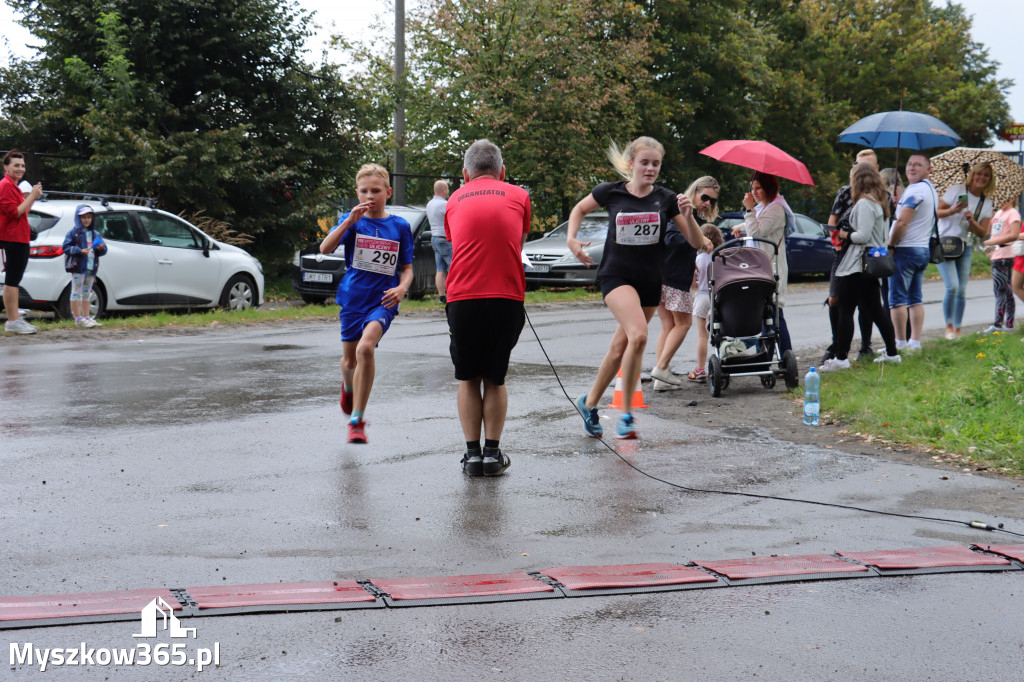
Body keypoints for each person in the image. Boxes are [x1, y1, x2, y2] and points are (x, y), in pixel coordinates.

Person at [568, 136, 703, 439]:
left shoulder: (667, 200)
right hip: (616, 277)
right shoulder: (611, 192)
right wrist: (571, 239)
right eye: (645, 162)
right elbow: (578, 210)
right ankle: (626, 414)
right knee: (639, 335)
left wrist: (690, 216)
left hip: (650, 281)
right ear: (631, 163)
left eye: (656, 163)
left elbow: (696, 242)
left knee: (620, 347)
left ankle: (588, 403)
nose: (650, 168)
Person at [444, 139, 531, 476]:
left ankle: (471, 456)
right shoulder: (519, 196)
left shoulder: (452, 200)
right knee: (494, 378)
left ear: (466, 174)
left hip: (463, 297)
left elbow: (458, 244)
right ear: (502, 172)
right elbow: (516, 243)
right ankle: (493, 455)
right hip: (506, 297)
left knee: (468, 377)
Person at [321, 163, 414, 444]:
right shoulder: (353, 221)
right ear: (357, 193)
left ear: (388, 192)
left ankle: (357, 420)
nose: (370, 196)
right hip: (353, 297)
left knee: (365, 349)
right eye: (364, 191)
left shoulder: (399, 226)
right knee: (349, 360)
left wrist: (401, 288)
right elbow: (325, 249)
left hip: (383, 299)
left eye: (376, 190)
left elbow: (408, 268)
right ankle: (348, 387)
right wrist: (348, 222)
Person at [818, 164, 900, 371]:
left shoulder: (864, 204)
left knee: (846, 311)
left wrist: (844, 234)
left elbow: (862, 236)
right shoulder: (881, 203)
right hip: (872, 264)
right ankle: (892, 353)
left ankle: (841, 359)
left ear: (858, 180)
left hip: (856, 264)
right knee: (876, 311)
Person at [651, 176, 718, 391]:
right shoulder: (683, 213)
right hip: (673, 278)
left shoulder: (684, 213)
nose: (707, 202)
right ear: (695, 191)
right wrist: (700, 241)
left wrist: (692, 259)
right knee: (683, 324)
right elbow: (674, 239)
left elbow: (679, 243)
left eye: (712, 200)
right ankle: (661, 369)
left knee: (668, 326)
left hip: (660, 274)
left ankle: (660, 379)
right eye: (704, 196)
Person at [823, 149, 881, 362]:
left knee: (869, 303)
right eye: (856, 165)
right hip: (843, 254)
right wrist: (837, 241)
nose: (859, 170)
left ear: (875, 169)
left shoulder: (881, 195)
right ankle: (836, 344)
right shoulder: (845, 192)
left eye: (865, 166)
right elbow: (831, 224)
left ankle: (866, 345)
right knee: (835, 300)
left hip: (869, 254)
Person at [732, 171, 794, 355]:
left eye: (758, 188)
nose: (755, 192)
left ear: (769, 188)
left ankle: (785, 356)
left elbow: (757, 230)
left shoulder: (777, 209)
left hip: (772, 270)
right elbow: (754, 224)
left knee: (775, 315)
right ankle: (767, 355)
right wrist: (740, 226)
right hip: (760, 270)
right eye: (752, 189)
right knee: (766, 315)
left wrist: (748, 210)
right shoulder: (763, 207)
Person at [935, 161, 994, 340]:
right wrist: (953, 210)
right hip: (944, 244)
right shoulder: (956, 190)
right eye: (979, 174)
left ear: (990, 180)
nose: (981, 178)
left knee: (961, 290)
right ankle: (948, 327)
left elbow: (983, 232)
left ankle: (958, 330)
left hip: (965, 247)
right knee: (952, 286)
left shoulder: (987, 203)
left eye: (986, 175)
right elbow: (936, 212)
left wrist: (972, 222)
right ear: (972, 174)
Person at [886, 153, 936, 351]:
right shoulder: (930, 190)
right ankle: (915, 342)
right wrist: (899, 204)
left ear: (928, 169)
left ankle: (899, 343)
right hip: (922, 248)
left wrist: (890, 245)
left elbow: (903, 222)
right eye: (909, 164)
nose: (912, 168)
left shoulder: (915, 191)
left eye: (918, 165)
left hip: (905, 249)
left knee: (897, 299)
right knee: (915, 298)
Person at [0, 150, 42, 334]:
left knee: (14, 280)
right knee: (12, 280)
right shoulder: (6, 185)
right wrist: (31, 196)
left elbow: (22, 211)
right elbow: (13, 213)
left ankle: (14, 318)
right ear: (6, 167)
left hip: (19, 237)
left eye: (22, 165)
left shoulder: (14, 186)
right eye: (16, 165)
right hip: (12, 238)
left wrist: (31, 198)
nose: (20, 169)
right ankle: (12, 320)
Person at [688, 223, 724, 383]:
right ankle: (724, 363)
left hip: (702, 296)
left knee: (702, 335)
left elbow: (693, 285)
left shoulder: (699, 259)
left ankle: (700, 369)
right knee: (722, 332)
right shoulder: (722, 257)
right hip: (720, 297)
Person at [62, 205, 108, 327]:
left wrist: (101, 248)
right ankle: (78, 319)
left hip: (91, 267)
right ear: (78, 218)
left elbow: (103, 251)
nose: (86, 220)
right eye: (83, 217)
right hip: (78, 268)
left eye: (89, 217)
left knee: (87, 292)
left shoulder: (95, 234)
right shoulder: (74, 233)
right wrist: (79, 250)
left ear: (92, 218)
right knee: (76, 292)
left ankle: (86, 317)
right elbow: (65, 247)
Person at [982, 197, 1021, 333]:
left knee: (1000, 291)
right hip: (996, 254)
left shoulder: (1013, 214)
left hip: (1005, 255)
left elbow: (1013, 236)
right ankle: (1009, 325)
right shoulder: (998, 213)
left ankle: (997, 325)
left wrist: (993, 242)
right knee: (1007, 291)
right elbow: (990, 231)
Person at [425, 179, 451, 303]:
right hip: (445, 239)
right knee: (453, 267)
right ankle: (453, 294)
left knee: (440, 269)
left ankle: (442, 296)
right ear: (443, 190)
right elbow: (452, 219)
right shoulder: (444, 204)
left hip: (434, 237)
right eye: (447, 189)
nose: (448, 192)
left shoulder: (429, 204)